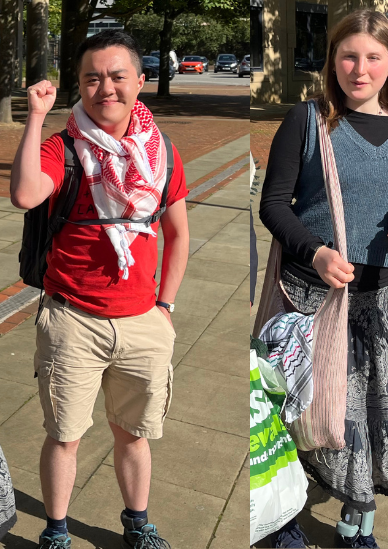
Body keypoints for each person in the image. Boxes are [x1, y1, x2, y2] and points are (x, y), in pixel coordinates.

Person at [257, 10, 388, 549]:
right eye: (348, 56)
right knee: (305, 412)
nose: (359, 69)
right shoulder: (307, 121)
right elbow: (273, 205)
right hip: (313, 297)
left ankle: (357, 523)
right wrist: (314, 252)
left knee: (372, 415)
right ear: (333, 60)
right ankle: (283, 519)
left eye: (373, 57)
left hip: (382, 302)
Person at [10, 30, 189, 549]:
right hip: (73, 320)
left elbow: (177, 233)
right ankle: (57, 531)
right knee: (65, 436)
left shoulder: (162, 154)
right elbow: (24, 194)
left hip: (143, 323)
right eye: (92, 78)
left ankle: (138, 523)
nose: (104, 87)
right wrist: (37, 116)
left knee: (135, 435)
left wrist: (166, 306)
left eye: (116, 76)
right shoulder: (62, 149)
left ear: (139, 81)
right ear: (81, 87)